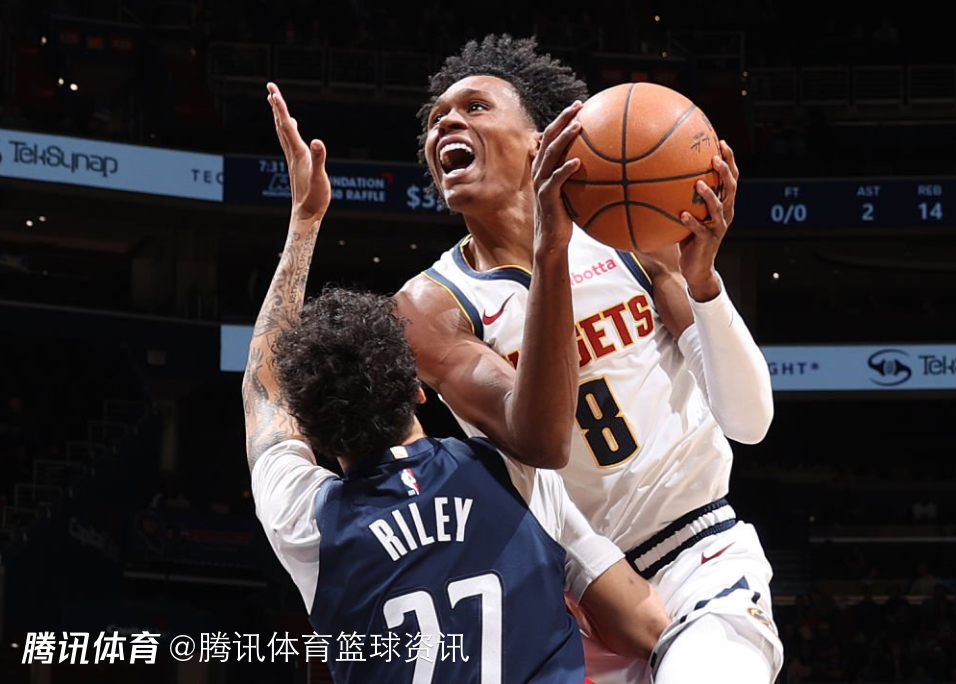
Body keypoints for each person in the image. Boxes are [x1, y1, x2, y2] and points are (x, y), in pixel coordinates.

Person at [243, 83, 669, 683]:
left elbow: (262, 389)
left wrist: (304, 223)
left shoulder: (308, 522)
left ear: (311, 432)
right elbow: (643, 627)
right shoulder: (508, 474)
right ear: (419, 389)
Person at [393, 35, 783, 683]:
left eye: (475, 107)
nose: (447, 124)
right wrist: (550, 251)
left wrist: (704, 283)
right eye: (437, 119)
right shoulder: (431, 306)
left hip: (702, 552)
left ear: (542, 139)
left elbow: (749, 423)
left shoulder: (631, 235)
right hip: (574, 595)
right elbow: (540, 440)